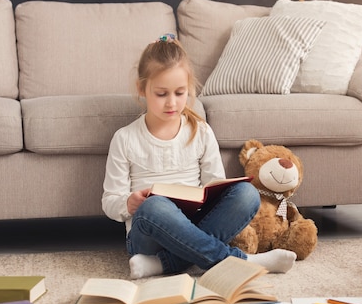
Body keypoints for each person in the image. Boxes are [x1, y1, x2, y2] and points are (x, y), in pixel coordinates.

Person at [102, 34, 297, 279]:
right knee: (156, 205)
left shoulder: (201, 131)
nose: (171, 103)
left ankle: (162, 264)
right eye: (161, 94)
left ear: (189, 89)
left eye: (180, 93)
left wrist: (212, 196)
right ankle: (244, 262)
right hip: (148, 234)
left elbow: (214, 185)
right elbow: (109, 200)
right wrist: (128, 203)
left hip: (196, 226)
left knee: (247, 194)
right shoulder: (125, 138)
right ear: (142, 89)